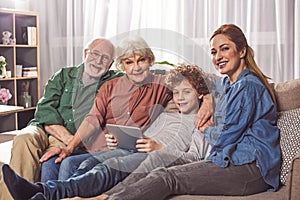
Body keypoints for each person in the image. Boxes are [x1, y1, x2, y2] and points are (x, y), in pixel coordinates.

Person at [96, 24, 281, 199]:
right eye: (214, 52)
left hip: (249, 169)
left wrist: (205, 129)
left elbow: (225, 137)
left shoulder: (247, 86)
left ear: (242, 51)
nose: (218, 57)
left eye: (225, 49)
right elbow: (201, 80)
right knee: (158, 165)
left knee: (166, 178)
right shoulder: (227, 83)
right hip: (229, 161)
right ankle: (105, 196)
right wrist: (207, 98)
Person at [1, 64, 212, 200]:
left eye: (187, 93)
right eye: (176, 92)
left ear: (201, 94)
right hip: (138, 150)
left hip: (156, 157)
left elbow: (196, 156)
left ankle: (47, 192)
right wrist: (127, 139)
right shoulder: (170, 111)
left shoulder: (202, 120)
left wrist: (160, 148)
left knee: (106, 168)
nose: (180, 98)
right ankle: (53, 193)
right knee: (84, 163)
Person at [0, 38, 122, 200]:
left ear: (111, 63)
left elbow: (139, 75)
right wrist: (71, 140)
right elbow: (44, 111)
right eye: (95, 54)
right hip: (48, 129)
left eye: (105, 58)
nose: (98, 61)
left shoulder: (114, 81)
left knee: (55, 159)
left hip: (77, 135)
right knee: (23, 139)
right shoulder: (64, 75)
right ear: (86, 53)